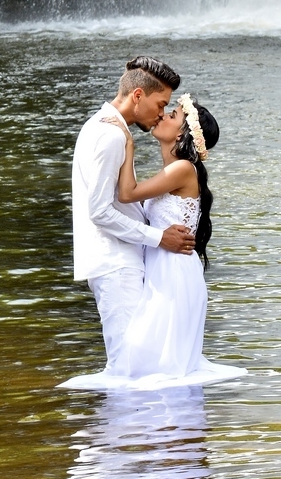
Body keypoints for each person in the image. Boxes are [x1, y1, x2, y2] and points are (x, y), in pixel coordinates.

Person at [61, 89, 247, 390]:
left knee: (149, 362)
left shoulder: (182, 168)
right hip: (162, 268)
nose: (163, 115)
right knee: (151, 358)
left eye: (172, 115)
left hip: (173, 272)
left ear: (181, 135)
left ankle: (158, 427)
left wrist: (127, 144)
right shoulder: (172, 171)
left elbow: (126, 194)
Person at [67, 56, 195, 380]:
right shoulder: (110, 135)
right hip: (116, 264)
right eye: (160, 104)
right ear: (138, 95)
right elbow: (99, 211)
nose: (161, 114)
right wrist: (159, 237)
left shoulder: (107, 127)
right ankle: (122, 432)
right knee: (129, 371)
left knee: (135, 367)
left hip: (119, 262)